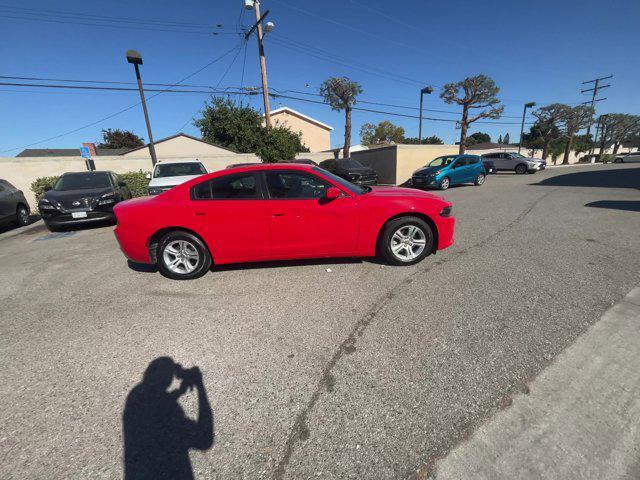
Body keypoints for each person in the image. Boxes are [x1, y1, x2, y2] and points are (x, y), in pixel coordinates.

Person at [123, 357, 214, 480]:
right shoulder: (169, 413)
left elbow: (154, 406)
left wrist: (178, 392)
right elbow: (205, 439)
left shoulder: (136, 396)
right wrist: (200, 386)